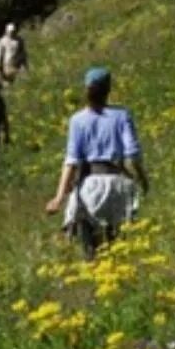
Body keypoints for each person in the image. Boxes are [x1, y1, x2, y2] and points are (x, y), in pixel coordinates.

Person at [45, 67, 149, 260]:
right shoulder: (122, 115)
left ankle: (92, 268)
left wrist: (59, 198)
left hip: (91, 186)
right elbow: (132, 154)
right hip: (119, 184)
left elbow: (71, 161)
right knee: (118, 245)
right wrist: (142, 179)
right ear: (109, 89)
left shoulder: (77, 120)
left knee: (89, 245)